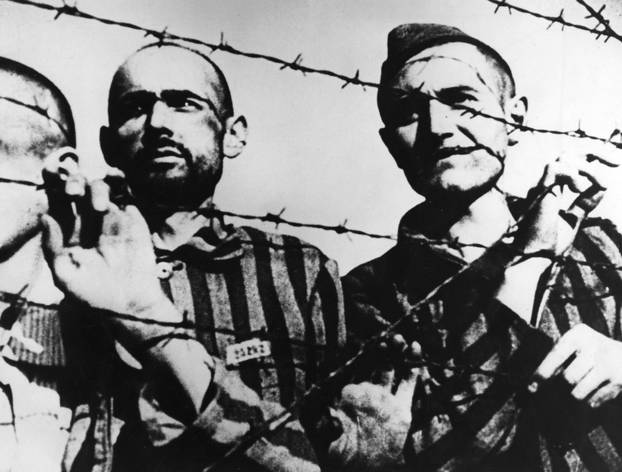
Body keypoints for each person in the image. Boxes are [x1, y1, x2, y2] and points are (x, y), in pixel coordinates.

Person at [42, 42, 347, 471]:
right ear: (108, 145)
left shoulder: (299, 270)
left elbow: (334, 443)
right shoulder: (70, 273)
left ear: (234, 133)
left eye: (183, 104)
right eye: (136, 108)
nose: (159, 124)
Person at [342, 23, 622, 471]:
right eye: (408, 112)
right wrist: (527, 266)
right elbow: (432, 451)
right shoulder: (365, 295)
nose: (437, 127)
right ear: (390, 144)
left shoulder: (603, 247)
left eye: (461, 101)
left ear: (515, 118)